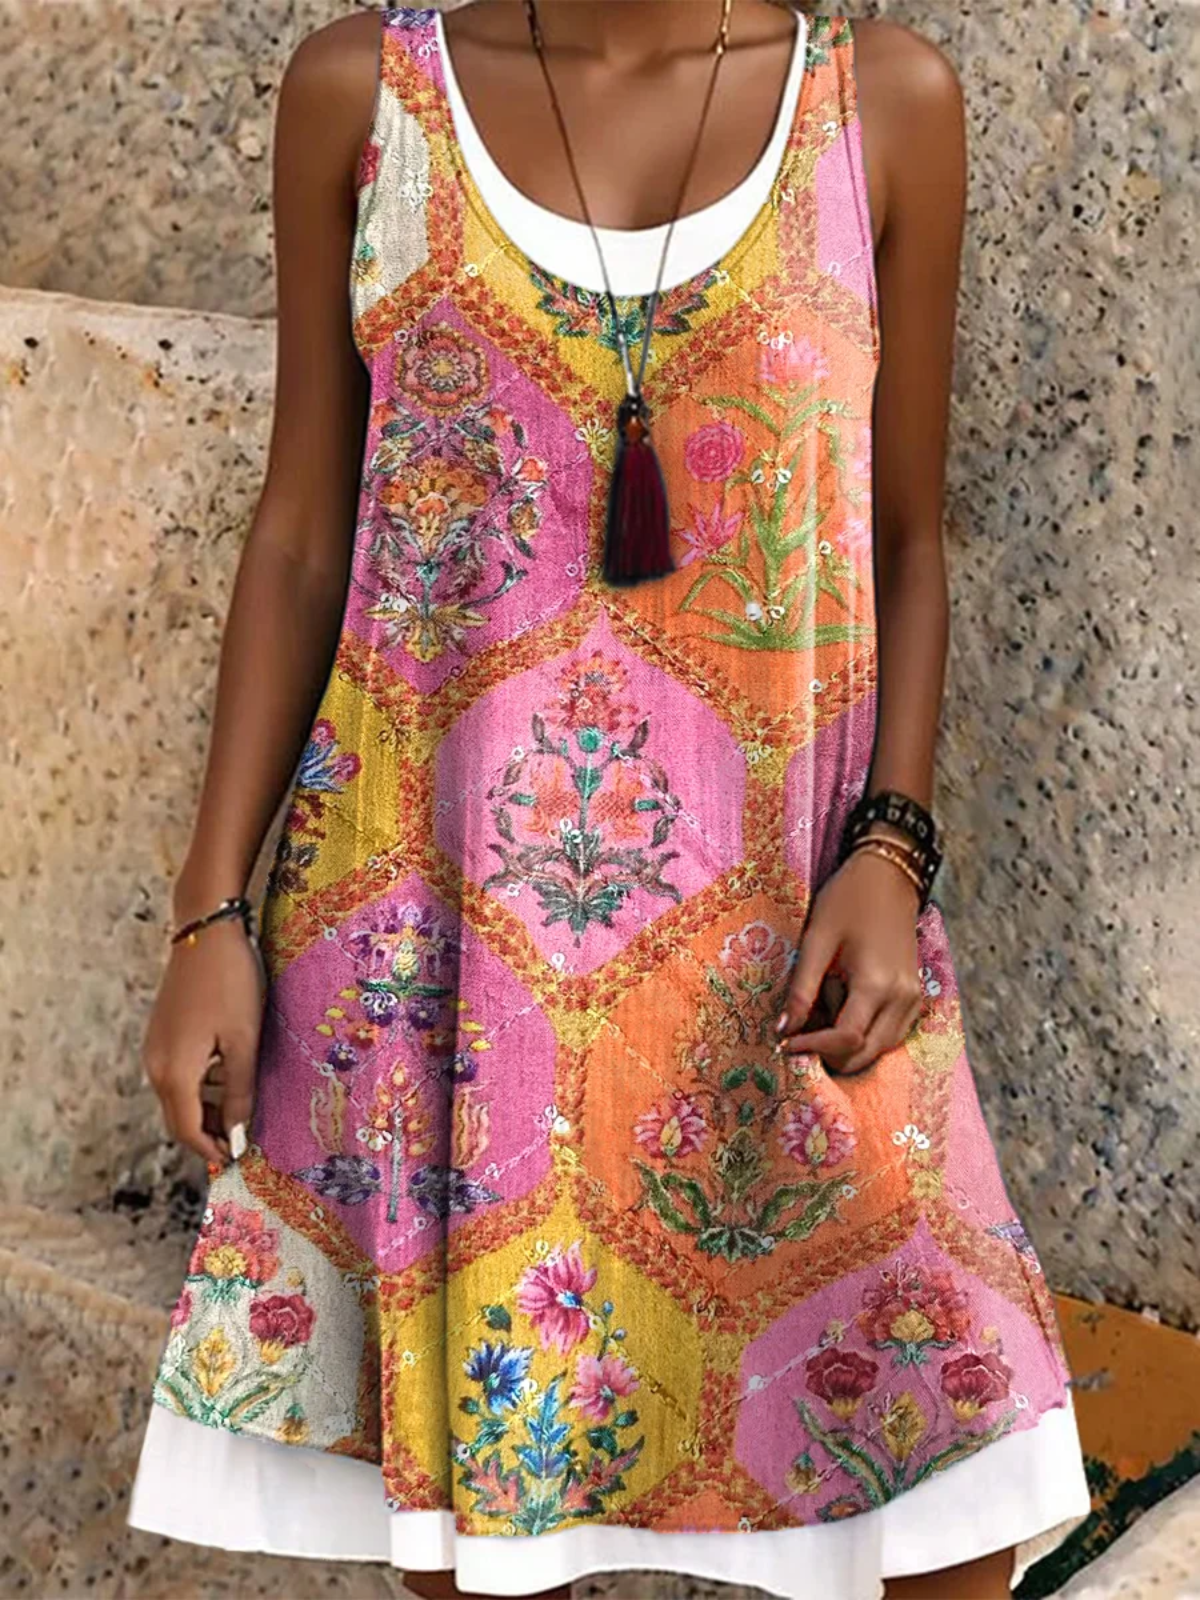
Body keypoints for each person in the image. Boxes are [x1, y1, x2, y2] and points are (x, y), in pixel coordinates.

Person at [127, 4, 1092, 1597]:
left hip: (788, 929)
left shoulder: (883, 106)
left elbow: (912, 535)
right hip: (443, 951)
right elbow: (302, 529)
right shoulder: (367, 98)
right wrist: (209, 910)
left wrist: (892, 847)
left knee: (949, 1484)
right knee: (475, 1523)